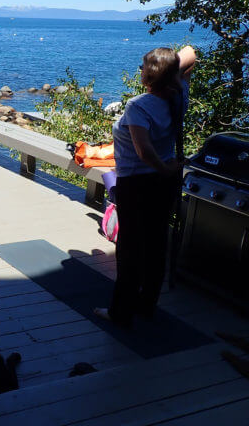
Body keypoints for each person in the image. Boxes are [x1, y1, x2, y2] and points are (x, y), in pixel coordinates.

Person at [94, 45, 196, 326]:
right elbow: (190, 53)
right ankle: (146, 305)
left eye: (142, 67)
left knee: (129, 251)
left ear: (148, 75)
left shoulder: (138, 105)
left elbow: (144, 150)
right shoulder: (178, 96)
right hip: (163, 184)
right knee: (155, 245)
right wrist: (171, 70)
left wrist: (162, 167)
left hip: (137, 184)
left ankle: (120, 313)